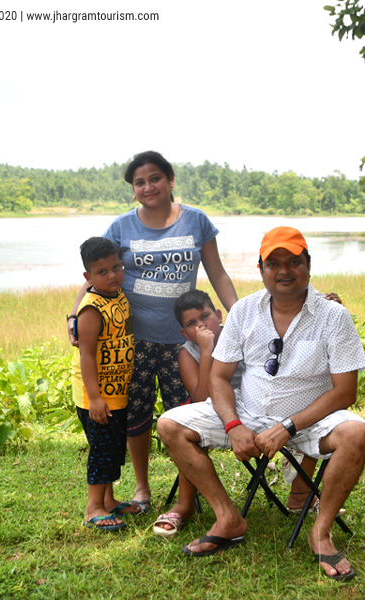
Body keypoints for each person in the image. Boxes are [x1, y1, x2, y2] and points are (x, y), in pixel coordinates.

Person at [157, 226, 365, 582]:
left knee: (356, 433)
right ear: (261, 269)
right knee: (169, 424)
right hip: (247, 413)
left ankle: (321, 532)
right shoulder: (244, 311)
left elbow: (345, 392)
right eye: (273, 263)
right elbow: (219, 378)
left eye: (293, 262)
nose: (284, 270)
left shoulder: (334, 316)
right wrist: (233, 425)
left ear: (308, 265)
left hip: (309, 423)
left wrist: (288, 426)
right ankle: (227, 518)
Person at [68, 151, 238, 513]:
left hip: (184, 341)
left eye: (155, 178)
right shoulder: (121, 227)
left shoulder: (196, 221)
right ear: (133, 190)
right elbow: (96, 273)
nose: (148, 187)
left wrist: (239, 316)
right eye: (139, 183)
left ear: (170, 179)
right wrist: (73, 315)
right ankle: (142, 488)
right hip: (134, 341)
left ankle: (187, 494)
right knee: (136, 416)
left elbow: (218, 273)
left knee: (187, 415)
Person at [153, 289, 334, 536]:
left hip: (256, 405)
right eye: (191, 324)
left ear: (219, 316)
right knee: (189, 429)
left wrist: (324, 307)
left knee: (308, 411)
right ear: (185, 333)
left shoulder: (241, 328)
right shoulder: (188, 353)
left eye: (205, 317)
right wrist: (206, 352)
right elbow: (201, 399)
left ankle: (301, 494)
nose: (201, 326)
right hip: (217, 409)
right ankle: (184, 505)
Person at [71, 237, 141, 531]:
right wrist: (95, 398)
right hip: (97, 395)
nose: (112, 275)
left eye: (116, 268)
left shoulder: (117, 294)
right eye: (102, 272)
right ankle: (94, 508)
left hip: (117, 391)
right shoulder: (91, 309)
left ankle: (109, 501)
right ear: (88, 277)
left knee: (112, 448)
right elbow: (86, 355)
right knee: (101, 450)